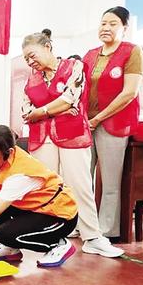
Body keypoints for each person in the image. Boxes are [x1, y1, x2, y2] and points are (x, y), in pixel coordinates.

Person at [21, 29, 123, 258]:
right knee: (47, 187)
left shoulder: (74, 67)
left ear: (48, 47)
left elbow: (69, 99)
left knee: (80, 185)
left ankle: (92, 237)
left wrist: (43, 112)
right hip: (42, 138)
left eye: (32, 55)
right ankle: (50, 236)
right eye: (26, 59)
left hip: (73, 135)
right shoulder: (31, 79)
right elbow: (26, 111)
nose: (30, 61)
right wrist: (50, 111)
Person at [0, 125, 78, 268]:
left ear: (8, 151)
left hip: (60, 217)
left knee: (6, 234)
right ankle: (9, 248)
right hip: (38, 208)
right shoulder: (9, 157)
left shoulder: (19, 176)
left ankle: (58, 244)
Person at [83, 7, 143, 238]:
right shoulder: (90, 54)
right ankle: (83, 226)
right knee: (82, 179)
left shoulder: (133, 52)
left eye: (112, 24)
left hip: (114, 125)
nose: (106, 28)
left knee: (110, 182)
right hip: (86, 124)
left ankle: (106, 231)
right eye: (103, 23)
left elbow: (129, 93)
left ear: (124, 28)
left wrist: (98, 118)